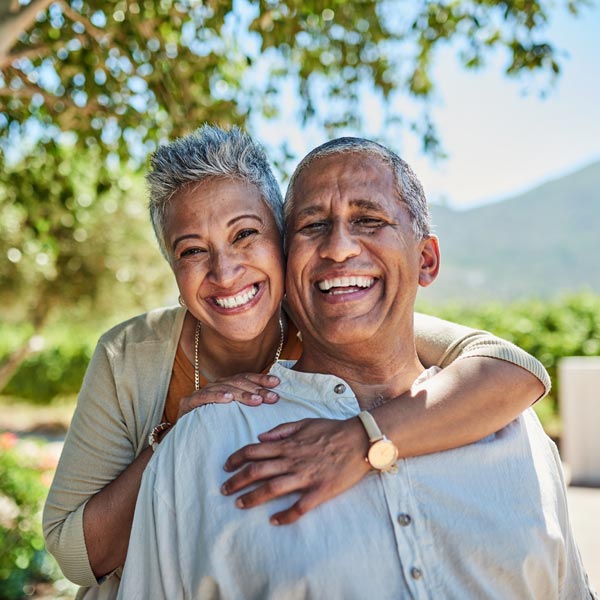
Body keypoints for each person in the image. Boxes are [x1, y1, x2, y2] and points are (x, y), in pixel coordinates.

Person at [44, 126, 550, 599]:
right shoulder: (131, 355)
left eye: (245, 235)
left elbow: (509, 367)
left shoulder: (333, 311)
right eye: (193, 251)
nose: (225, 271)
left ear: (281, 242)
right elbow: (74, 554)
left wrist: (363, 440)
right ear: (174, 271)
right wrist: (173, 434)